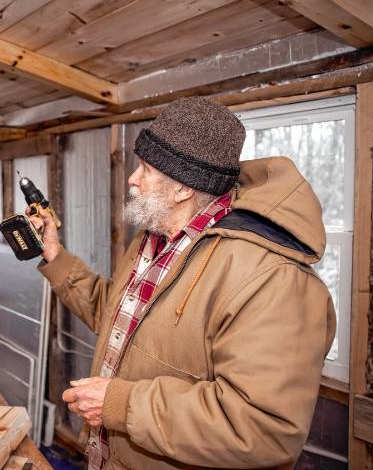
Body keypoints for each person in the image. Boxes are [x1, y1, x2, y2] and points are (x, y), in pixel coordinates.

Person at [29, 96, 336, 469]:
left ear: (182, 188)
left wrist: (120, 404)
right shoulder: (153, 239)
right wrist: (55, 258)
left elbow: (263, 428)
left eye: (145, 169)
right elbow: (116, 317)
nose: (133, 179)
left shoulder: (272, 278)